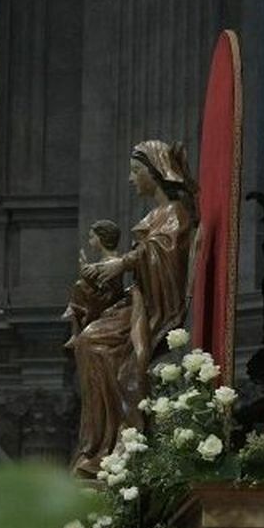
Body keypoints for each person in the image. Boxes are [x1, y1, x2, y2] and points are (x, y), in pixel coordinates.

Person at [69, 140, 198, 476]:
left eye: (136, 171)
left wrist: (123, 264)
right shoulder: (154, 216)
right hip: (139, 300)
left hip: (155, 308)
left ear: (155, 173)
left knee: (96, 344)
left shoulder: (175, 213)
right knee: (89, 341)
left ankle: (115, 442)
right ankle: (101, 444)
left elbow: (165, 256)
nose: (130, 179)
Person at [62, 219, 125, 342]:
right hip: (100, 297)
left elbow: (105, 284)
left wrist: (85, 271)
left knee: (80, 286)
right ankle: (75, 331)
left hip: (108, 300)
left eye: (92, 237)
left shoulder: (113, 261)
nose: (89, 241)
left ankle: (75, 333)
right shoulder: (105, 261)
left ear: (102, 237)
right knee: (80, 287)